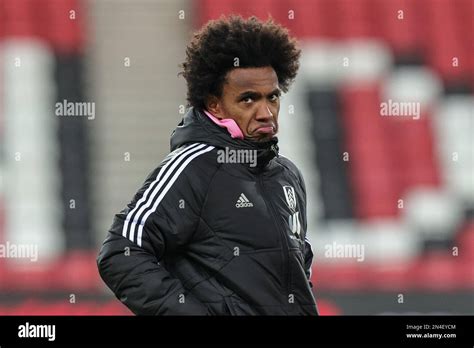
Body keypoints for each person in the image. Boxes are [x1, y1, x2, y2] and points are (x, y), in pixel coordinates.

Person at [97, 15, 318, 315]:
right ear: (214, 104)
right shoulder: (193, 167)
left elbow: (298, 274)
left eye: (273, 97)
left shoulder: (288, 175)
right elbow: (120, 252)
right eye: (248, 99)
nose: (266, 112)